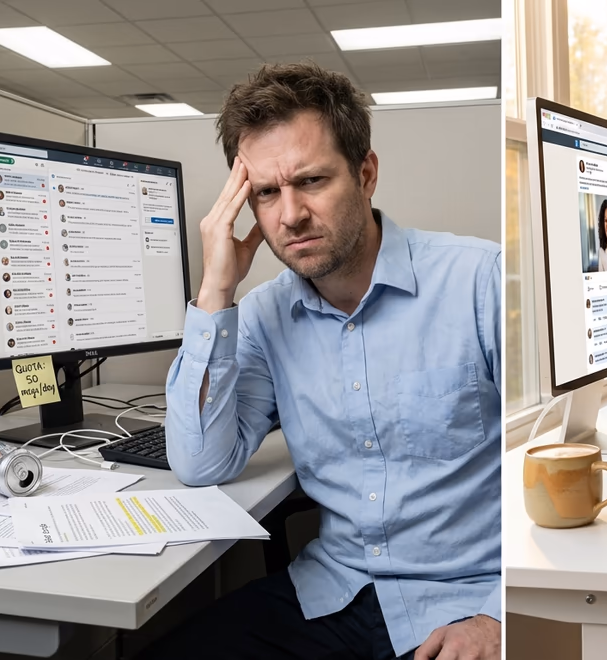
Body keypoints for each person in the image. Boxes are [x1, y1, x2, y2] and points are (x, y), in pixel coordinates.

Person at [139, 62, 501, 660]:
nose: (290, 215)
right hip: (333, 591)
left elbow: (559, 467)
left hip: (464, 602)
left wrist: (499, 617)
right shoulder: (263, 315)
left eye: (310, 181)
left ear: (366, 173)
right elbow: (201, 462)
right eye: (266, 193)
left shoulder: (480, 283)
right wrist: (216, 291)